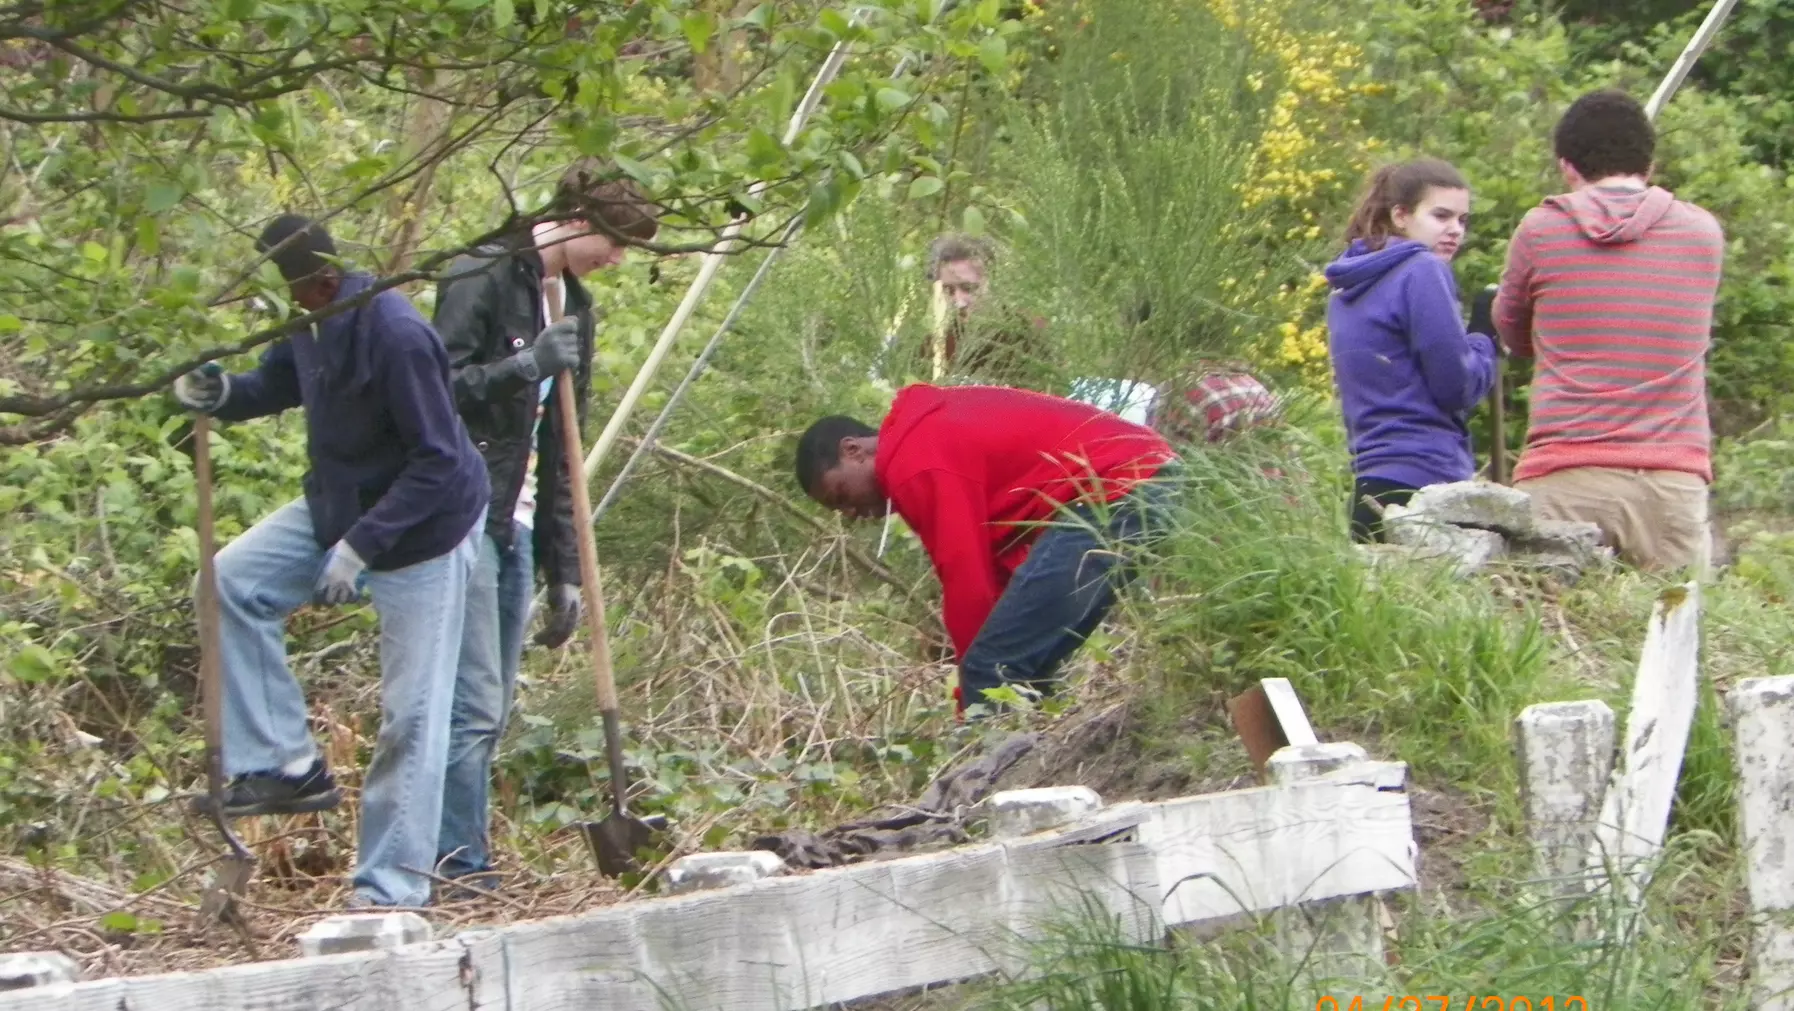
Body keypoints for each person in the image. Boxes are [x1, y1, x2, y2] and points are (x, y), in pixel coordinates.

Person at [176, 215, 489, 908]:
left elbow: (437, 458)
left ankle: (391, 889)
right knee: (227, 582)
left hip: (426, 529)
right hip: (341, 502)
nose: (290, 305)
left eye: (297, 293)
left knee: (413, 712)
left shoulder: (397, 334)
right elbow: (277, 384)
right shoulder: (309, 318)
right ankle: (284, 763)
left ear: (325, 280)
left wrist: (361, 546)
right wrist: (222, 394)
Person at [430, 160, 660, 890]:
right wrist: (525, 363)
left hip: (517, 522)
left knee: (493, 706)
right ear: (581, 220)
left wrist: (565, 569)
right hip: (458, 512)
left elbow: (563, 449)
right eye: (616, 242)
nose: (618, 259)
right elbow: (435, 391)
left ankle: (458, 852)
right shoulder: (483, 272)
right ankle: (457, 864)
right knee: (470, 703)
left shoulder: (574, 303)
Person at [794, 384, 1178, 715]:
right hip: (1146, 481)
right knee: (1022, 667)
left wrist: (970, 691)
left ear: (854, 450)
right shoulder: (921, 441)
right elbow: (998, 578)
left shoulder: (914, 462)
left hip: (1122, 489)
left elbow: (967, 582)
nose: (850, 513)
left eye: (841, 494)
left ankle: (993, 779)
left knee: (991, 669)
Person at [1494, 89, 1724, 573]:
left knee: (1553, 640)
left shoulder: (1540, 230)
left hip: (1564, 476)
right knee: (1674, 642)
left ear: (1566, 166)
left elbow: (1512, 335)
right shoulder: (1703, 233)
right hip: (1672, 480)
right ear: (1650, 163)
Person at [1324, 158, 1498, 542]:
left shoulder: (1346, 285)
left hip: (1371, 483)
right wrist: (1485, 340)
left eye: (1463, 220)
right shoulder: (1422, 269)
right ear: (1400, 215)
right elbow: (1456, 387)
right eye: (1441, 216)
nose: (1455, 230)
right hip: (1427, 479)